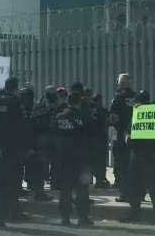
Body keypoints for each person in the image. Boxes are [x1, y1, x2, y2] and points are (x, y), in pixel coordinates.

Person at [121, 90, 155, 224]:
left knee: (148, 186)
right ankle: (153, 214)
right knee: (141, 185)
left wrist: (128, 137)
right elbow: (128, 132)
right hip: (141, 154)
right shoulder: (139, 115)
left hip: (146, 154)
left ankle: (148, 214)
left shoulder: (149, 115)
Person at [0, 77, 31, 222]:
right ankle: (13, 212)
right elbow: (23, 124)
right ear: (15, 88)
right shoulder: (16, 102)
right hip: (13, 147)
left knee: (0, 181)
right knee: (14, 181)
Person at [53, 91, 94, 226]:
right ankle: (83, 217)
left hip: (63, 158)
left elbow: (53, 135)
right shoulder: (84, 116)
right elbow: (90, 136)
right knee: (82, 189)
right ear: (79, 102)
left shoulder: (59, 117)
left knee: (65, 190)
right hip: (80, 158)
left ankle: (65, 218)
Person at [27, 86, 58, 201]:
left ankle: (40, 191)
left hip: (49, 140)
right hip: (41, 139)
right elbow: (34, 125)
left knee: (45, 166)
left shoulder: (53, 106)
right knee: (41, 167)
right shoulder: (40, 107)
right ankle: (38, 192)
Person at [109, 74, 135, 202]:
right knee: (135, 166)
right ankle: (137, 194)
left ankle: (125, 193)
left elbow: (113, 119)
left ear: (121, 84)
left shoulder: (118, 99)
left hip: (122, 137)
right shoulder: (137, 97)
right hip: (137, 137)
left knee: (122, 166)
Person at [88, 91, 111, 189]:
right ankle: (99, 180)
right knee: (100, 161)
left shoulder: (90, 111)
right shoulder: (103, 110)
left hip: (95, 139)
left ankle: (98, 180)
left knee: (96, 161)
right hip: (100, 139)